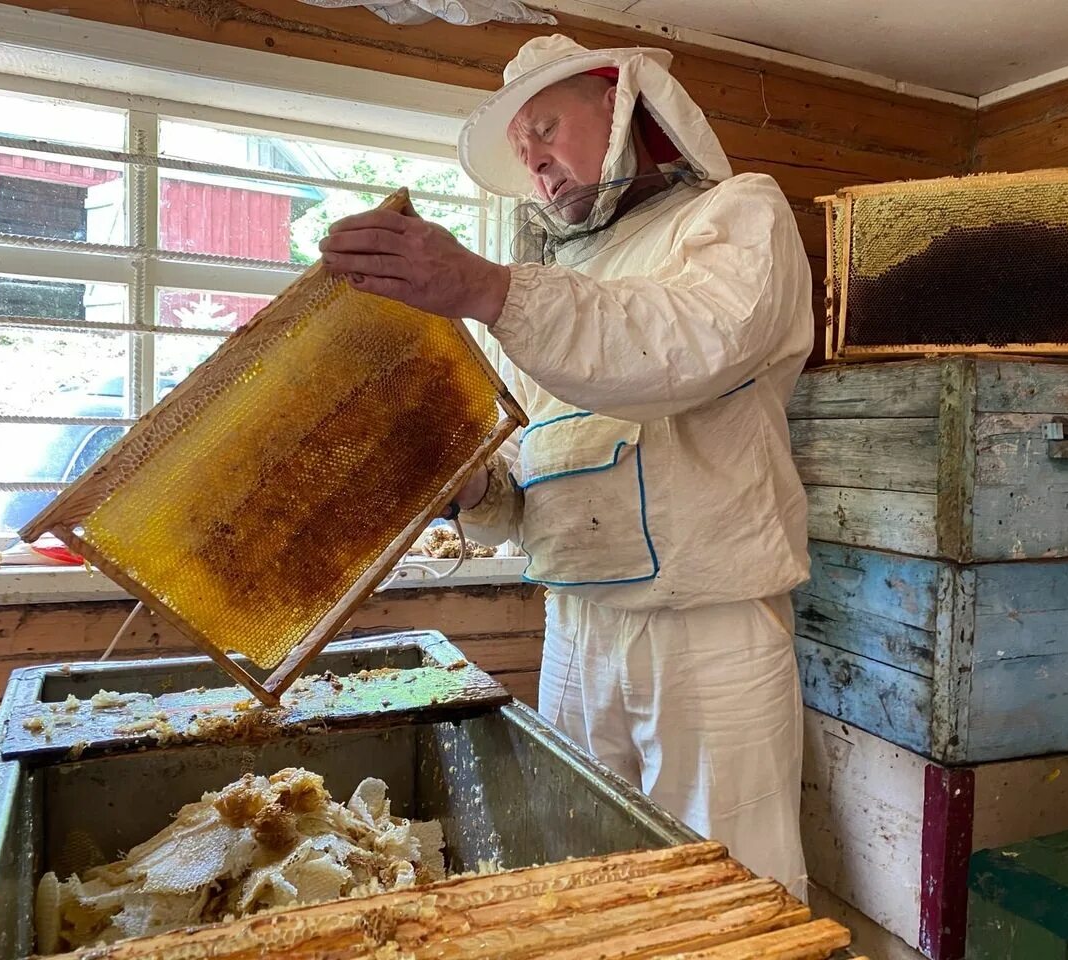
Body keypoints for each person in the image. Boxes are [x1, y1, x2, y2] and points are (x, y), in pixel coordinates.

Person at [319, 34, 814, 899]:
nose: (539, 164)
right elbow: (525, 479)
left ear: (623, 106)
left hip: (707, 624)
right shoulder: (547, 287)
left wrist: (489, 290)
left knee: (724, 888)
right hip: (577, 628)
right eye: (523, 153)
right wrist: (465, 483)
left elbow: (685, 343)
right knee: (589, 869)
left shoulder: (737, 214)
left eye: (547, 127)